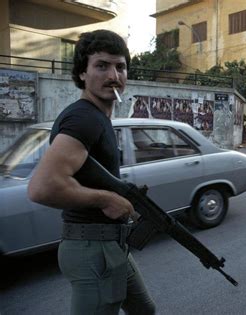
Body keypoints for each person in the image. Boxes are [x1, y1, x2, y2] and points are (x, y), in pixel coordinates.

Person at [28, 30, 156, 315]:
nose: (113, 76)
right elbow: (42, 186)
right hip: (91, 248)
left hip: (109, 244)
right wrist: (106, 200)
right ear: (82, 73)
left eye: (120, 67)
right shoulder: (85, 118)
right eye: (101, 66)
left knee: (145, 310)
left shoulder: (97, 117)